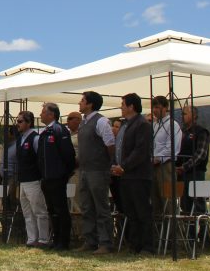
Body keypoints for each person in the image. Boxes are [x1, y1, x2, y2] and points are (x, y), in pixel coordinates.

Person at [111, 93, 155, 254]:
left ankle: (147, 245)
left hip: (138, 175)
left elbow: (140, 150)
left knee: (142, 211)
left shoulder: (142, 124)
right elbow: (119, 148)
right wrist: (116, 165)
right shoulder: (125, 125)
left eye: (123, 104)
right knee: (130, 212)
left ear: (131, 106)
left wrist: (124, 166)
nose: (121, 107)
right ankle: (135, 244)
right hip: (125, 176)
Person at [74, 91, 116, 254]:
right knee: (86, 207)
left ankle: (105, 243)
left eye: (82, 100)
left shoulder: (101, 121)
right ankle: (90, 241)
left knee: (101, 207)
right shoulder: (84, 122)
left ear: (90, 104)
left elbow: (110, 144)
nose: (80, 103)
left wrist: (105, 162)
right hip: (85, 170)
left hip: (98, 170)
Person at [36, 102, 76, 251]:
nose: (40, 115)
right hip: (46, 177)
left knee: (60, 209)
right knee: (52, 210)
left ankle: (63, 241)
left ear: (51, 114)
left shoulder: (59, 130)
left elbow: (68, 154)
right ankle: (56, 239)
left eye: (43, 112)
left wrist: (65, 173)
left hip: (57, 177)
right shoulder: (45, 132)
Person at [15, 110, 49, 247]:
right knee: (27, 212)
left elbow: (40, 158)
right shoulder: (20, 139)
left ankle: (43, 239)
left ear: (29, 123)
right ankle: (31, 238)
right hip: (23, 180)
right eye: (17, 121)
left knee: (39, 210)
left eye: (20, 121)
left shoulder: (35, 138)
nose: (17, 124)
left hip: (34, 180)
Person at [150, 96, 183, 218]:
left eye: (158, 107)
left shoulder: (172, 125)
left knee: (169, 201)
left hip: (166, 165)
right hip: (153, 165)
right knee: (155, 201)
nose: (155, 110)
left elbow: (172, 147)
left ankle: (174, 229)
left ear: (165, 108)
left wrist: (158, 158)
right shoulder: (154, 125)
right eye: (153, 107)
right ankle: (159, 229)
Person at [176, 105, 210, 215]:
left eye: (185, 114)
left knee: (197, 203)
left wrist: (185, 166)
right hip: (182, 174)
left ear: (194, 115)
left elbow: (201, 154)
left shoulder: (201, 131)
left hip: (196, 173)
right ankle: (188, 226)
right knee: (185, 203)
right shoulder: (180, 131)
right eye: (182, 114)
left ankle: (202, 226)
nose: (182, 116)